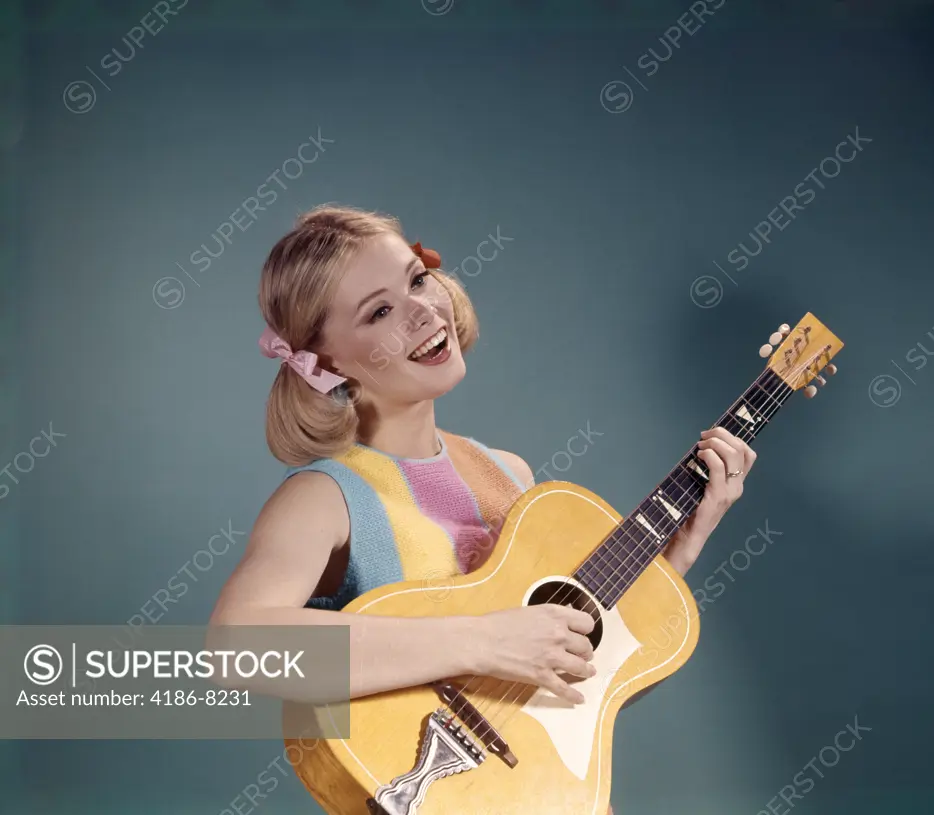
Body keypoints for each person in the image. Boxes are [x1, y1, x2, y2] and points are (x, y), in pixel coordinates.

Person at [208, 205, 756, 814]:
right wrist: (482, 640)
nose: (422, 310)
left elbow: (573, 668)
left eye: (417, 279)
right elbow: (239, 647)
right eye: (380, 312)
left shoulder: (508, 473)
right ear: (328, 362)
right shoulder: (322, 496)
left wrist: (686, 538)